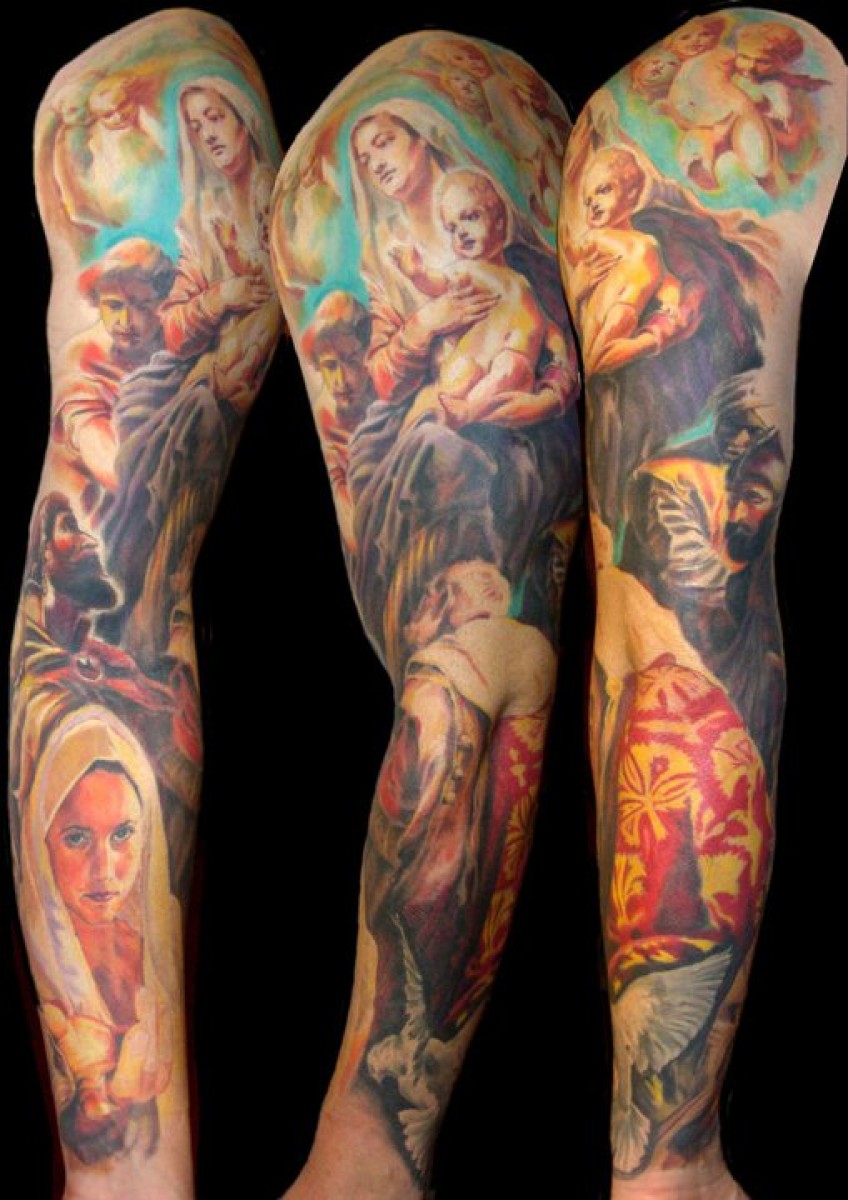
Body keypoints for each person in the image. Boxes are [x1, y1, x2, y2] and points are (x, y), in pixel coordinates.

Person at [18, 706, 181, 1166]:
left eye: (123, 833)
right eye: (76, 838)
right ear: (40, 839)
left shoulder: (164, 939)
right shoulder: (37, 956)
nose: (104, 869)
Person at [390, 168, 550, 429]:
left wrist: (559, 355)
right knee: (431, 404)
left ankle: (467, 411)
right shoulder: (468, 270)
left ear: (499, 220)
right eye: (452, 228)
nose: (461, 233)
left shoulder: (523, 279)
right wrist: (418, 274)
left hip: (507, 371)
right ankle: (442, 419)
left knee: (512, 368)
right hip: (468, 365)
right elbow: (437, 284)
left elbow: (547, 327)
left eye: (470, 217)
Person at [47, 237, 175, 514]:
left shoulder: (174, 344)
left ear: (164, 303)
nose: (125, 322)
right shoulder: (84, 357)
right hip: (90, 513)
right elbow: (109, 463)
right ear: (98, 302)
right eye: (114, 306)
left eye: (141, 306)